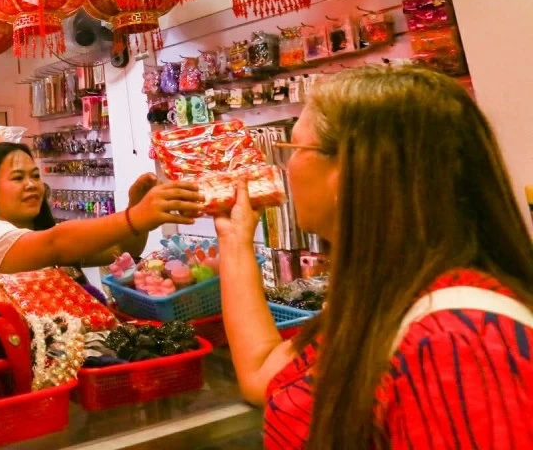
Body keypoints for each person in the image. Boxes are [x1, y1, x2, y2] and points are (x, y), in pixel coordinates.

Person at [217, 66, 533, 450]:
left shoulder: (458, 342)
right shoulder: (385, 299)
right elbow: (263, 374)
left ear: (348, 171)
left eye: (295, 150)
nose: (286, 168)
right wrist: (235, 239)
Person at [0, 141, 204, 290]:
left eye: (35, 176)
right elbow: (56, 243)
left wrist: (136, 206)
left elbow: (123, 250)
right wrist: (135, 216)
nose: (31, 185)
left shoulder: (47, 234)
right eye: (18, 178)